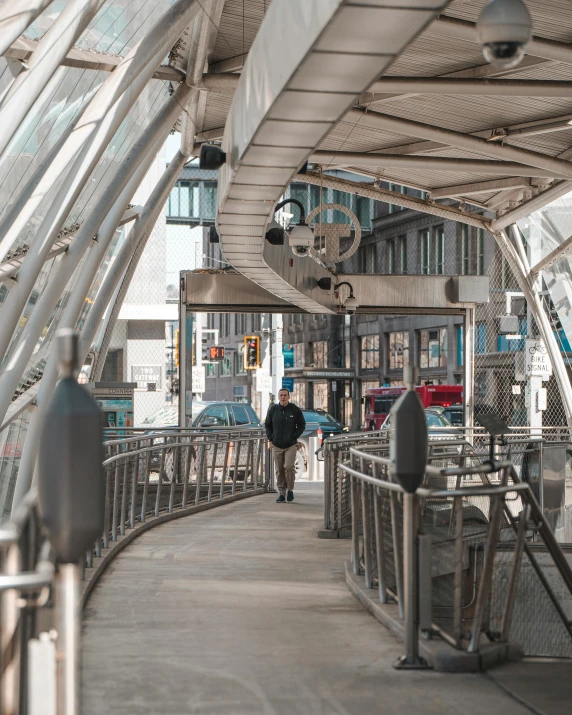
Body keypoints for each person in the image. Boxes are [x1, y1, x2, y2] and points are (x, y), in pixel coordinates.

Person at [265, 388, 305, 502]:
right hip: (276, 444)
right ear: (278, 397)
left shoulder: (295, 410)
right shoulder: (273, 410)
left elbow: (302, 425)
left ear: (289, 397)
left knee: (289, 467)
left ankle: (290, 489)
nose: (283, 397)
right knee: (279, 470)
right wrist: (271, 437)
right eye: (281, 395)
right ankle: (282, 493)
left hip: (290, 444)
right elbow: (267, 424)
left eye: (285, 395)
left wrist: (294, 436)